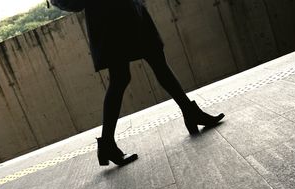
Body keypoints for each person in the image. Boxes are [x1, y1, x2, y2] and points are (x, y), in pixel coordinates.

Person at [48, 0, 225, 166]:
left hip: (126, 11)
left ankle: (189, 112)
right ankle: (108, 144)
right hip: (112, 17)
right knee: (125, 76)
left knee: (147, 67)